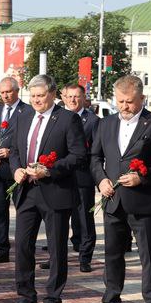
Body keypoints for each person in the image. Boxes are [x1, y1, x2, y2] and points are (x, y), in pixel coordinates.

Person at [89, 75, 151, 303]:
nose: (124, 107)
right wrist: (101, 180)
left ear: (142, 98)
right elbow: (95, 157)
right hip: (113, 199)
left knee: (150, 257)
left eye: (130, 102)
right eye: (120, 101)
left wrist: (144, 176)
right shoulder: (105, 123)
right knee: (112, 255)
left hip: (144, 201)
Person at [5, 75, 86, 303]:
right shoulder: (23, 116)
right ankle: (26, 297)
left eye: (41, 96)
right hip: (27, 190)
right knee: (21, 245)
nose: (36, 100)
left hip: (55, 190)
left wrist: (50, 169)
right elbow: (14, 151)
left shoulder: (68, 119)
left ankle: (52, 300)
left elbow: (78, 155)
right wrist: (16, 169)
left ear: (52, 94)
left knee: (56, 248)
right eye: (33, 96)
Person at [0, 77, 33, 264]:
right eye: (2, 92)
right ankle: (1, 249)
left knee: (23, 211)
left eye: (9, 92)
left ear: (17, 90)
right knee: (0, 211)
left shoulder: (27, 111)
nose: (5, 95)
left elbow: (28, 140)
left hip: (17, 169)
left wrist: (11, 151)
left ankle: (24, 248)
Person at [61, 84, 99, 273]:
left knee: (84, 217)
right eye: (69, 97)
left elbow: (96, 150)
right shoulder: (58, 117)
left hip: (83, 176)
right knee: (60, 219)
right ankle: (57, 257)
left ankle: (85, 257)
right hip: (61, 176)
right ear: (63, 97)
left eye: (76, 96)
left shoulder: (92, 120)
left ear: (83, 98)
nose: (73, 100)